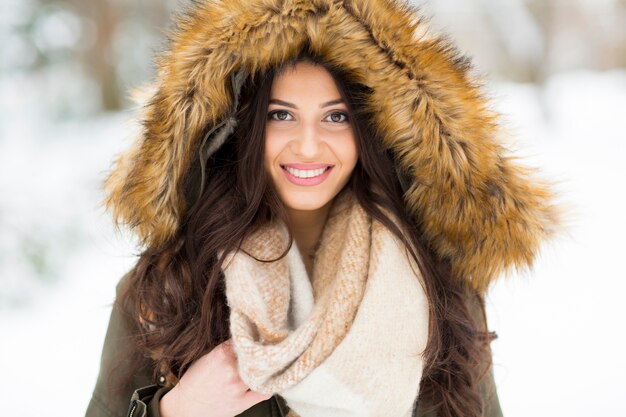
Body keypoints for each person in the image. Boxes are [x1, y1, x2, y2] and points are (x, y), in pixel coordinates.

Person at [86, 1, 561, 417]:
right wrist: (177, 411)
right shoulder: (169, 286)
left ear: (372, 130)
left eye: (336, 117)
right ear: (242, 128)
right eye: (281, 115)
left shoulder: (439, 283)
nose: (308, 146)